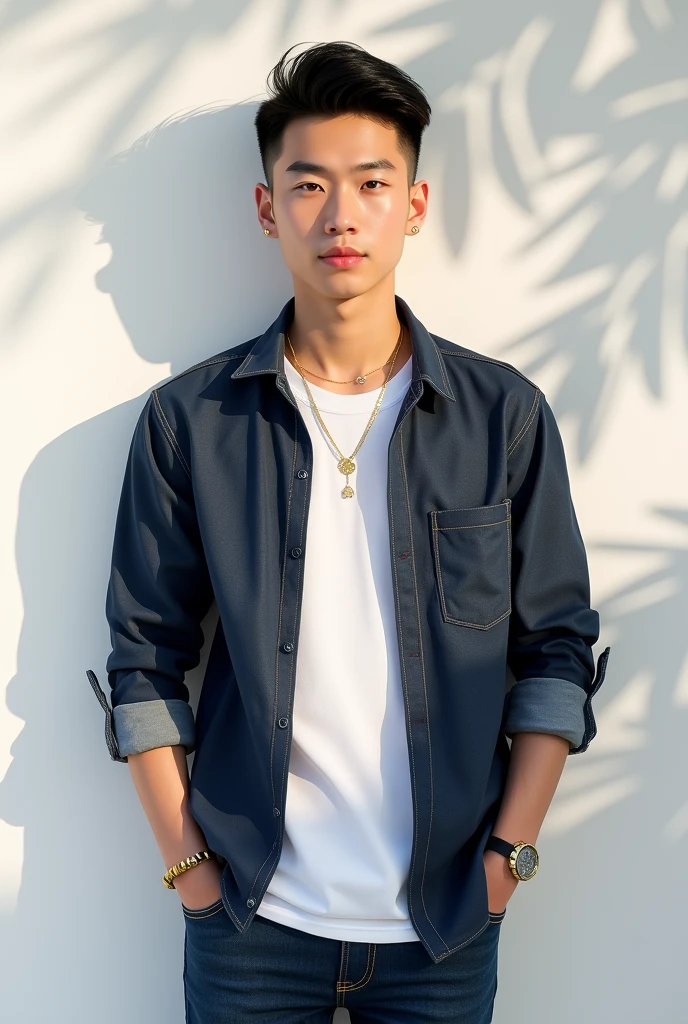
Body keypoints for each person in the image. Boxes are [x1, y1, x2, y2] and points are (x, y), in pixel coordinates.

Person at [87, 40, 610, 1024]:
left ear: (412, 204)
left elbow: (554, 652)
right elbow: (144, 658)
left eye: (371, 183)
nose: (340, 216)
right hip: (250, 922)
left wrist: (507, 861)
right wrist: (191, 872)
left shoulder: (502, 416)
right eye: (309, 184)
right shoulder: (190, 423)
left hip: (444, 924)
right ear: (267, 206)